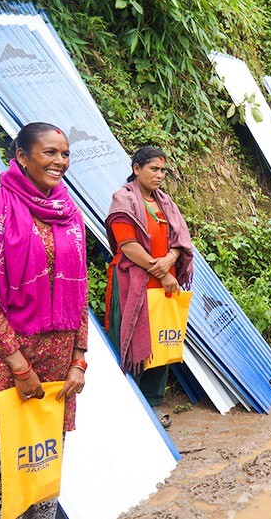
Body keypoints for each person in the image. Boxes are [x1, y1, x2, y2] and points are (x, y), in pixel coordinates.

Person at [0, 122, 89, 518]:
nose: (60, 161)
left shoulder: (70, 214)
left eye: (64, 154)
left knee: (39, 480)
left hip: (56, 370)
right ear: (22, 157)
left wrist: (79, 358)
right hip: (4, 366)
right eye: (49, 152)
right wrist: (19, 365)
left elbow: (79, 291)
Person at [105, 146, 194, 430]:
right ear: (136, 168)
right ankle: (128, 402)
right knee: (130, 340)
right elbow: (128, 246)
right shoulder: (124, 200)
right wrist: (161, 271)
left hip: (164, 282)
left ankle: (153, 403)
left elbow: (179, 240)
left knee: (162, 341)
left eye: (163, 170)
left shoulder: (165, 202)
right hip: (132, 282)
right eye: (153, 169)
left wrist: (170, 260)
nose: (159, 175)